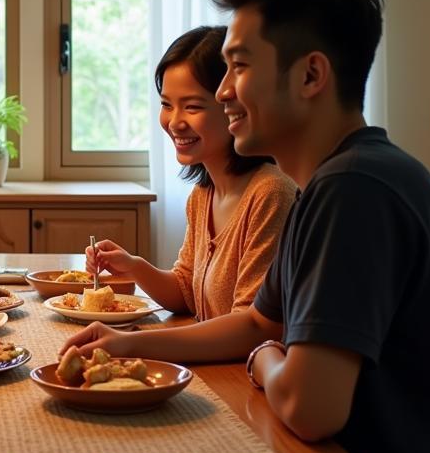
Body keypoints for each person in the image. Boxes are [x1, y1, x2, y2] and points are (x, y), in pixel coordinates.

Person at [64, 0, 430, 453]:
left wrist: (268, 362)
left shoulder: (352, 190)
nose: (225, 88)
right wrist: (128, 340)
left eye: (237, 65)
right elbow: (253, 323)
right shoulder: (336, 178)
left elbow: (310, 403)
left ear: (311, 74)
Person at [87, 26, 296, 321]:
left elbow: (250, 326)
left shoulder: (271, 193)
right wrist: (133, 266)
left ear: (234, 105)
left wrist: (138, 343)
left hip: (240, 367)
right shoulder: (202, 195)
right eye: (166, 104)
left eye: (193, 106)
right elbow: (186, 293)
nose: (174, 122)